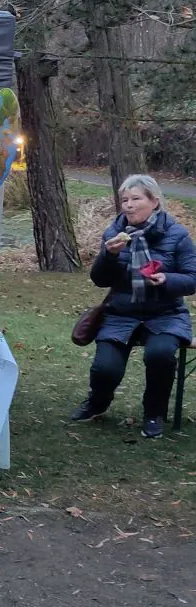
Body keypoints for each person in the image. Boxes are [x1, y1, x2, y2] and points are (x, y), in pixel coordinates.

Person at [69, 175, 196, 438]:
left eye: (136, 199)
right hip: (121, 313)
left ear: (154, 201)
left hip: (165, 315)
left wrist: (167, 279)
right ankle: (97, 402)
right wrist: (109, 255)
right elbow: (99, 279)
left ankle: (153, 414)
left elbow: (192, 278)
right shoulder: (114, 232)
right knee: (106, 368)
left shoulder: (177, 234)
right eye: (124, 200)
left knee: (159, 356)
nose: (128, 205)